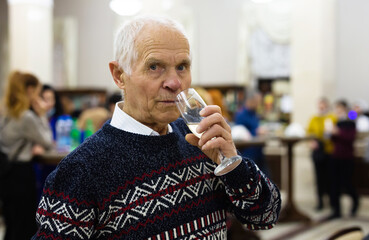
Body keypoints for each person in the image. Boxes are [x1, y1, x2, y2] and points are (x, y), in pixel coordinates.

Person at [33, 16, 281, 239]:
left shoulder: (200, 140)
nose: (175, 82)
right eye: (154, 67)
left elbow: (265, 217)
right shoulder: (81, 170)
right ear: (119, 75)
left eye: (182, 66)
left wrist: (233, 165)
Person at [0, 71, 53, 240]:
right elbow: (47, 141)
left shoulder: (6, 113)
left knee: (12, 224)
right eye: (37, 92)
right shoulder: (26, 117)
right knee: (24, 227)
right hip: (21, 175)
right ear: (29, 91)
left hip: (6, 173)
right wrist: (42, 115)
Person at [329, 100, 359, 219]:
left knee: (347, 184)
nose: (337, 111)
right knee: (334, 185)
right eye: (336, 109)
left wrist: (338, 132)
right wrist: (331, 133)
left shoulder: (351, 123)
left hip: (347, 157)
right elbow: (334, 140)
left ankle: (355, 203)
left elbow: (350, 138)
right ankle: (336, 211)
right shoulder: (337, 122)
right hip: (335, 156)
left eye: (340, 109)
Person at [306, 97, 337, 211]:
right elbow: (309, 132)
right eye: (320, 105)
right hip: (318, 152)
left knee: (330, 178)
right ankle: (320, 202)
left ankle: (332, 201)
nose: (321, 107)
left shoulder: (332, 117)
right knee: (319, 178)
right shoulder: (314, 118)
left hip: (329, 151)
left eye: (323, 105)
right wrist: (311, 141)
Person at [234, 90, 270, 177]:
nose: (259, 104)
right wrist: (256, 132)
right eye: (258, 102)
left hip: (259, 152)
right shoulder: (241, 115)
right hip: (248, 153)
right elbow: (239, 134)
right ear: (251, 101)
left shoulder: (254, 114)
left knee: (266, 178)